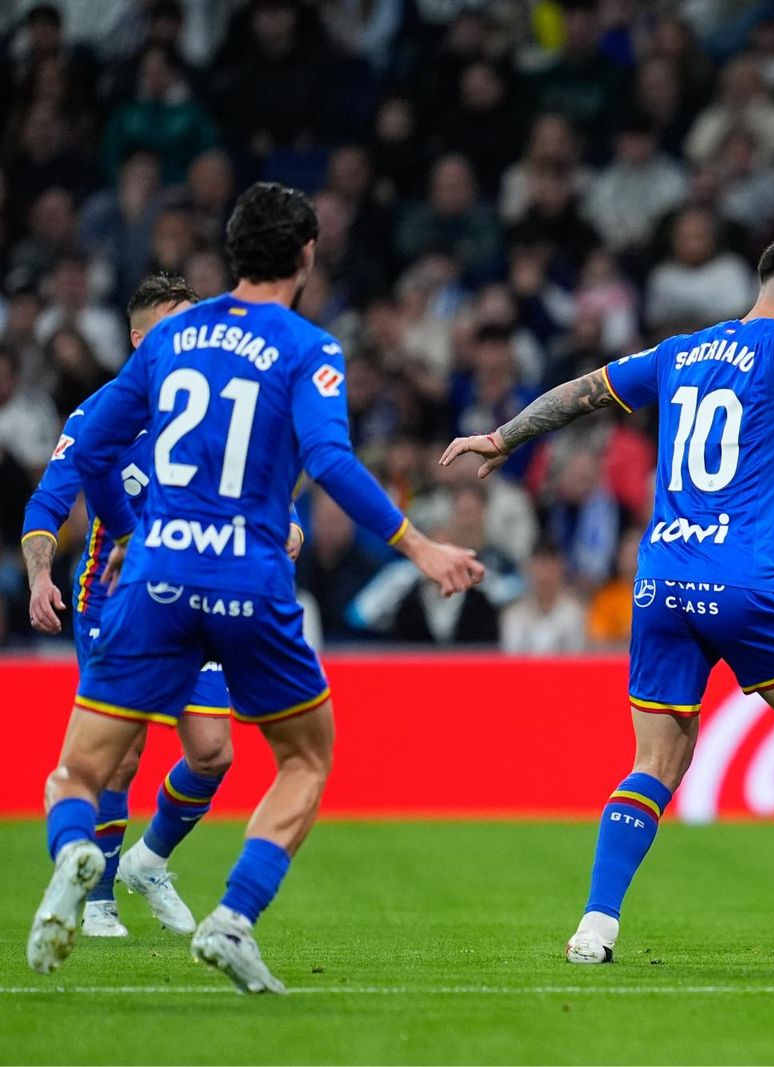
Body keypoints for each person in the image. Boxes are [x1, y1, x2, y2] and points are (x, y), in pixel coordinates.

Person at [442, 237, 774, 965]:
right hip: (744, 579)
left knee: (654, 760)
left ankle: (595, 928)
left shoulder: (679, 351)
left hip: (662, 579)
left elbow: (582, 392)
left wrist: (503, 436)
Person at [26, 183, 484, 992]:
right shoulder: (310, 347)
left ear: (232, 252)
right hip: (249, 583)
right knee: (306, 756)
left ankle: (74, 855)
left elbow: (92, 449)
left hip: (156, 580)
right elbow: (331, 460)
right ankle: (234, 915)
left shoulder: (170, 340)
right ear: (306, 255)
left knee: (79, 770)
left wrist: (132, 530)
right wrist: (418, 544)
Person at [21, 273, 290, 941]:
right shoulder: (99, 413)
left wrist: (280, 524)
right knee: (122, 752)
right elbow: (47, 504)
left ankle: (149, 862)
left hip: (196, 594)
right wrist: (39, 576)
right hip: (114, 599)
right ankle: (99, 898)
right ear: (142, 339)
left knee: (213, 753)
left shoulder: (217, 405)